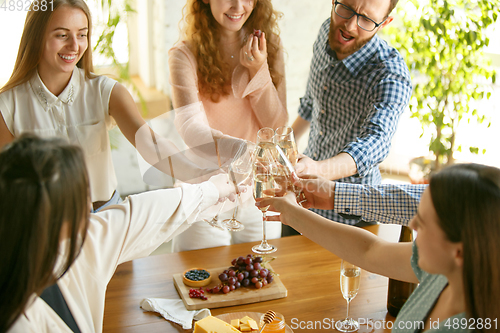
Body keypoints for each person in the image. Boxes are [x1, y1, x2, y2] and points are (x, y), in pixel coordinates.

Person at [0, 0, 231, 213]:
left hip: (106, 216)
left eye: (82, 34)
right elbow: (12, 184)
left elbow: (151, 144)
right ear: (36, 36)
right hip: (42, 223)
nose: (74, 45)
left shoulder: (106, 91)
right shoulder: (7, 105)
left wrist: (202, 175)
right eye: (62, 35)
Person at [0, 134, 237, 333]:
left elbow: (138, 215)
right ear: (55, 216)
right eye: (82, 193)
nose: (90, 202)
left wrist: (211, 190)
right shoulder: (18, 322)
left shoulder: (75, 242)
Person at [258, 164, 500, 332]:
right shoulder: (444, 271)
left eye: (423, 224)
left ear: (459, 251)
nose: (412, 224)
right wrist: (293, 215)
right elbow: (369, 251)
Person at [167, 0, 288, 251]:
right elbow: (190, 127)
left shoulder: (270, 46)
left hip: (258, 194)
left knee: (261, 276)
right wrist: (241, 150)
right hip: (205, 193)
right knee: (203, 281)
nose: (237, 5)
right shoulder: (183, 54)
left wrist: (258, 69)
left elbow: (276, 125)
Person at [291, 0, 412, 225]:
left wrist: (317, 169)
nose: (349, 26)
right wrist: (282, 148)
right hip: (302, 200)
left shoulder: (391, 74)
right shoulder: (326, 32)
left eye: (366, 19)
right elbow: (310, 104)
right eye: (346, 7)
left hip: (350, 215)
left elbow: (376, 142)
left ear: (384, 23)